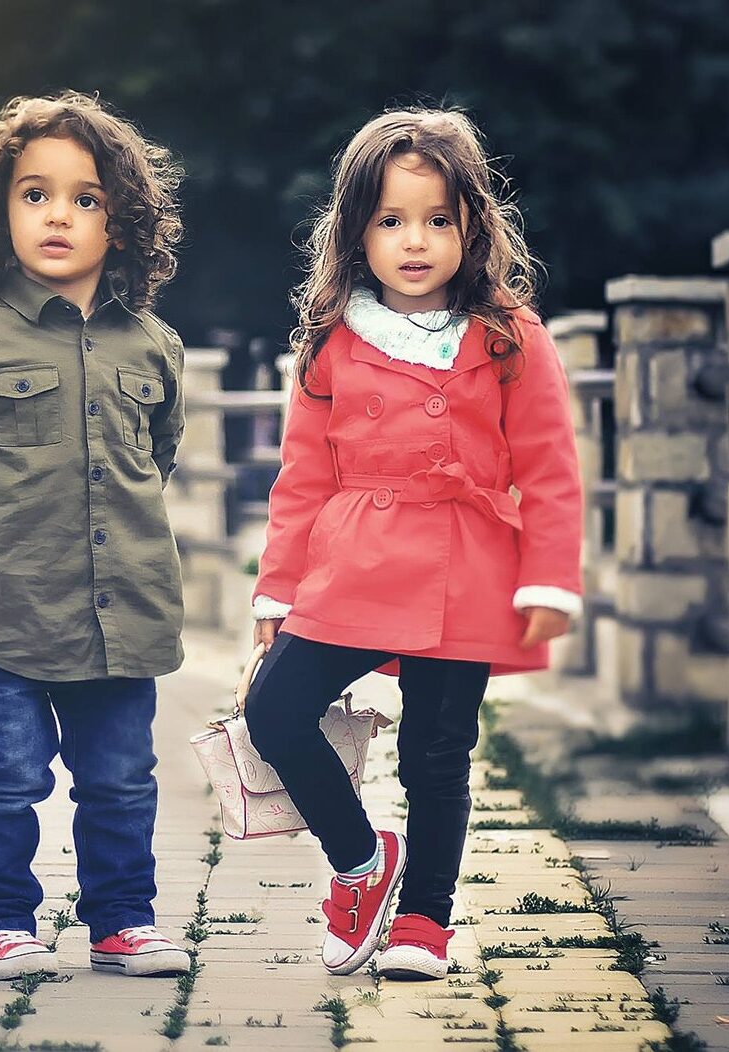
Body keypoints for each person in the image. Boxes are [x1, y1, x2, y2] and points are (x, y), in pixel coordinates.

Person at [244, 108, 583, 980]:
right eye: (391, 220)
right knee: (273, 711)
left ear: (473, 224)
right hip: (351, 560)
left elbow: (549, 465)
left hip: (465, 561)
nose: (417, 240)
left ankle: (425, 920)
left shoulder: (508, 333)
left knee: (439, 751)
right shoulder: (333, 340)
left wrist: (548, 580)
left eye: (438, 219)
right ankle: (361, 863)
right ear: (357, 233)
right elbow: (301, 481)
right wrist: (276, 596)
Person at [0, 91, 192, 981]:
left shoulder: (155, 348)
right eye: (34, 194)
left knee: (120, 782)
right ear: (0, 214)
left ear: (123, 222)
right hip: (8, 614)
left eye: (85, 198)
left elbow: (158, 457)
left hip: (126, 614)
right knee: (7, 777)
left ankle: (123, 922)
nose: (58, 214)